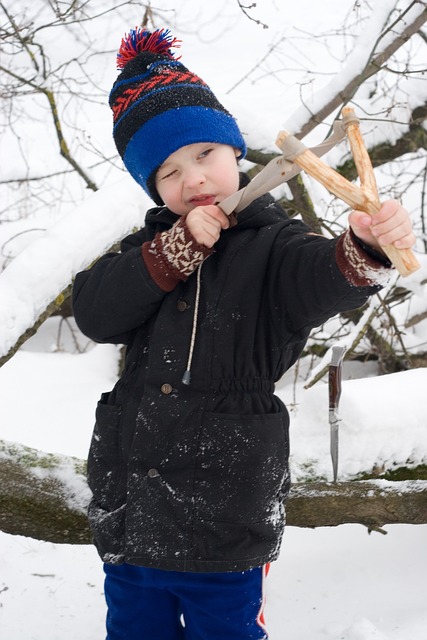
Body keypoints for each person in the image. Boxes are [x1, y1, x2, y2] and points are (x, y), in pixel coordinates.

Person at [72, 27, 416, 640]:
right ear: (154, 189)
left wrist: (363, 247)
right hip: (134, 511)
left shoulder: (274, 246)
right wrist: (169, 254)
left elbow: (318, 279)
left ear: (235, 152)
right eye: (169, 172)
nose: (193, 179)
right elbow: (95, 312)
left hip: (223, 512)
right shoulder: (146, 249)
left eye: (204, 154)